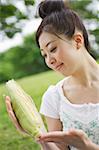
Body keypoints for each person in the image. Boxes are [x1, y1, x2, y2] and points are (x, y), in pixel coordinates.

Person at [5, 0, 99, 150]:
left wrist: (88, 147)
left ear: (77, 40)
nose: (50, 61)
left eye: (53, 49)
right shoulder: (54, 97)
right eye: (44, 55)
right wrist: (38, 134)